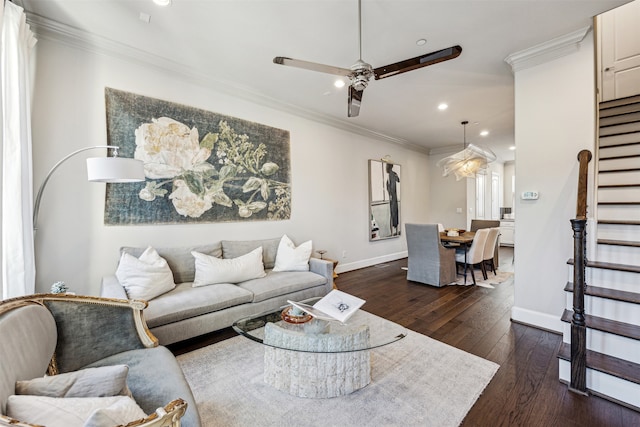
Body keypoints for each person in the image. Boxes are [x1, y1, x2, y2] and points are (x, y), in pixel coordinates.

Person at [386, 163, 400, 236]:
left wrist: (390, 195)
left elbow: (398, 180)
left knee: (394, 214)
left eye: (387, 166)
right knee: (394, 214)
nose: (386, 168)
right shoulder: (390, 175)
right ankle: (394, 232)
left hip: (393, 197)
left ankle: (395, 232)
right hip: (393, 197)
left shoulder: (392, 174)